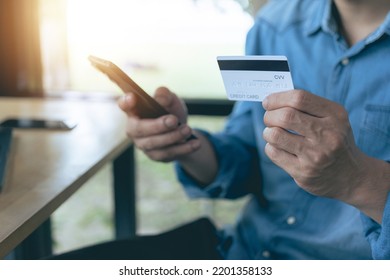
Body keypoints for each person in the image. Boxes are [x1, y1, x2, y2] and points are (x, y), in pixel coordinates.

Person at [51, 0, 390, 260]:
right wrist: (186, 144)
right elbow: (246, 158)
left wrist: (356, 179)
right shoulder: (274, 26)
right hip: (242, 253)